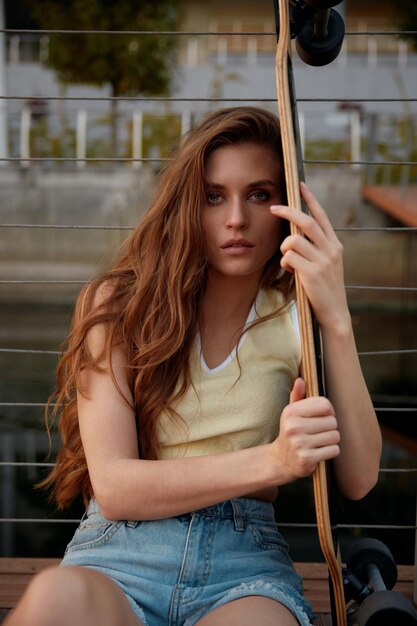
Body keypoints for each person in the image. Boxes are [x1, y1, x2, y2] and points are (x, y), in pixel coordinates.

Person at [5, 107, 381, 626]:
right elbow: (114, 488)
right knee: (55, 603)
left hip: (243, 562)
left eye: (258, 194)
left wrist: (335, 318)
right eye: (213, 196)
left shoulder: (297, 317)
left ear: (286, 208)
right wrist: (275, 460)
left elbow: (359, 478)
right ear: (187, 204)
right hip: (122, 553)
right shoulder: (118, 304)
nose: (235, 219)